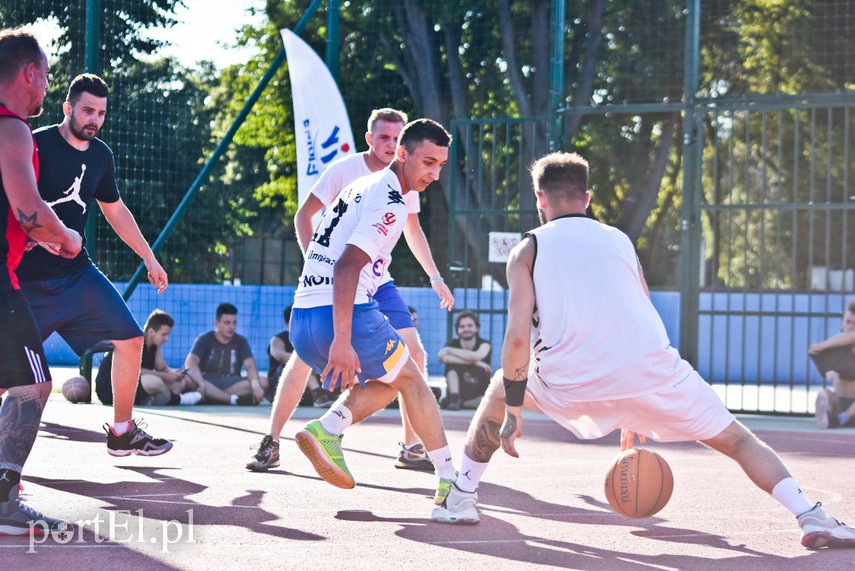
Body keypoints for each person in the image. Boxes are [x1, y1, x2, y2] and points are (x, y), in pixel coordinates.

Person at [431, 151, 855, 550]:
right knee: (738, 440)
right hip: (652, 372)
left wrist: (514, 408)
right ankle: (811, 516)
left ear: (539, 198)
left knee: (498, 388)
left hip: (568, 379)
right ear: (587, 198)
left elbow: (517, 339)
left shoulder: (528, 249)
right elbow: (642, 306)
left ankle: (461, 495)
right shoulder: (619, 240)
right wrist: (634, 408)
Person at [246, 109, 454, 474]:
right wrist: (320, 276)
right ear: (375, 141)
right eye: (385, 138)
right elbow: (327, 244)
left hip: (357, 288)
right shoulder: (353, 176)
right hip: (344, 289)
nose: (435, 174)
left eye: (440, 165)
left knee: (408, 360)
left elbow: (412, 230)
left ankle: (408, 447)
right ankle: (279, 438)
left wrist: (434, 276)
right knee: (398, 375)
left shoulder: (391, 185)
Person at [14, 72, 171, 457]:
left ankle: (122, 432)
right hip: (26, 280)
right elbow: (13, 199)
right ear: (68, 108)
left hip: (76, 275)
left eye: (101, 113)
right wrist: (35, 234)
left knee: (131, 340)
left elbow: (115, 211)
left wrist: (148, 256)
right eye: (87, 110)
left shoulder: (101, 156)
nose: (94, 119)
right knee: (9, 376)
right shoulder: (36, 144)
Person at [0, 28, 83, 534]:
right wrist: (65, 236)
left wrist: (28, 236)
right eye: (47, 75)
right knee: (32, 384)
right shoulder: (12, 128)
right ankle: (4, 500)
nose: (48, 86)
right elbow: (29, 209)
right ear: (29, 72)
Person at [95, 310, 202, 407]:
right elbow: (136, 371)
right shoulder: (134, 342)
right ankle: (178, 399)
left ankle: (154, 401)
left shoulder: (155, 346)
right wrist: (166, 376)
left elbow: (163, 368)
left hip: (132, 387)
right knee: (154, 382)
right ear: (151, 332)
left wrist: (176, 374)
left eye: (168, 334)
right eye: (164, 334)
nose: (167, 338)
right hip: (110, 390)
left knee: (179, 383)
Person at [183, 302, 267, 405]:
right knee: (187, 378)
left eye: (234, 323)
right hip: (207, 382)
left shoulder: (241, 341)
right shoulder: (204, 339)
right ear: (217, 324)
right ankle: (232, 399)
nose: (232, 326)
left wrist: (255, 385)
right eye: (227, 323)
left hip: (232, 383)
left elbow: (250, 365)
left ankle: (211, 397)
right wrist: (201, 383)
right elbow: (190, 362)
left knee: (263, 382)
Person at [267, 305, 333, 408]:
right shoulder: (277, 340)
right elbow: (279, 355)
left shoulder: (310, 339)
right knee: (300, 365)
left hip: (304, 389)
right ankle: (318, 394)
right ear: (286, 324)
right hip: (281, 385)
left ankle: (328, 394)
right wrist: (307, 361)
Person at [809, 300, 855, 429]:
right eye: (848, 322)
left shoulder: (830, 344)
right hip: (840, 402)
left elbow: (852, 337)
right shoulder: (835, 347)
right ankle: (829, 414)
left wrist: (821, 345)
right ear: (842, 323)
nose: (851, 326)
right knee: (825, 394)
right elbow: (829, 367)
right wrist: (831, 372)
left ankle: (841, 419)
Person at [437, 310, 492, 410]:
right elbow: (443, 358)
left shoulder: (485, 344)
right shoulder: (452, 343)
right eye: (462, 326)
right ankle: (455, 399)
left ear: (477, 328)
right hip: (457, 390)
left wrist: (448, 350)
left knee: (488, 402)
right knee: (451, 368)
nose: (466, 329)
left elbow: (475, 356)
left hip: (478, 392)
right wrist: (476, 363)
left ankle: (460, 403)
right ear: (457, 330)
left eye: (470, 326)